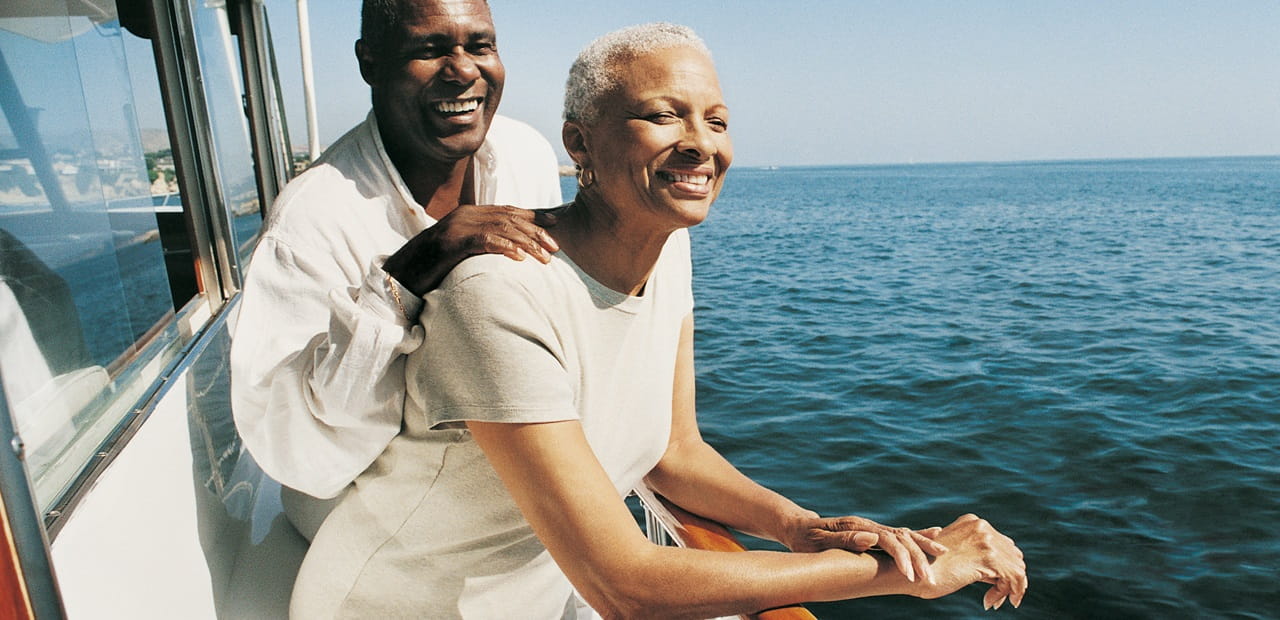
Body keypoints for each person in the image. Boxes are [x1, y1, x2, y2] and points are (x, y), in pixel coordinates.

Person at [291, 22, 1027, 618]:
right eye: (661, 115)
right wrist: (903, 575)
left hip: (537, 597)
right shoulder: (498, 294)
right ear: (578, 145)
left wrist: (796, 525)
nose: (701, 143)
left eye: (716, 120)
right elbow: (625, 585)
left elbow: (672, 451)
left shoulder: (664, 254)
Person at [229, 0, 564, 540]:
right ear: (370, 63)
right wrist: (409, 271)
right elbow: (303, 459)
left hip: (505, 481)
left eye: (480, 45)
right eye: (428, 50)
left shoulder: (525, 154)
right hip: (365, 512)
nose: (462, 70)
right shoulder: (309, 221)